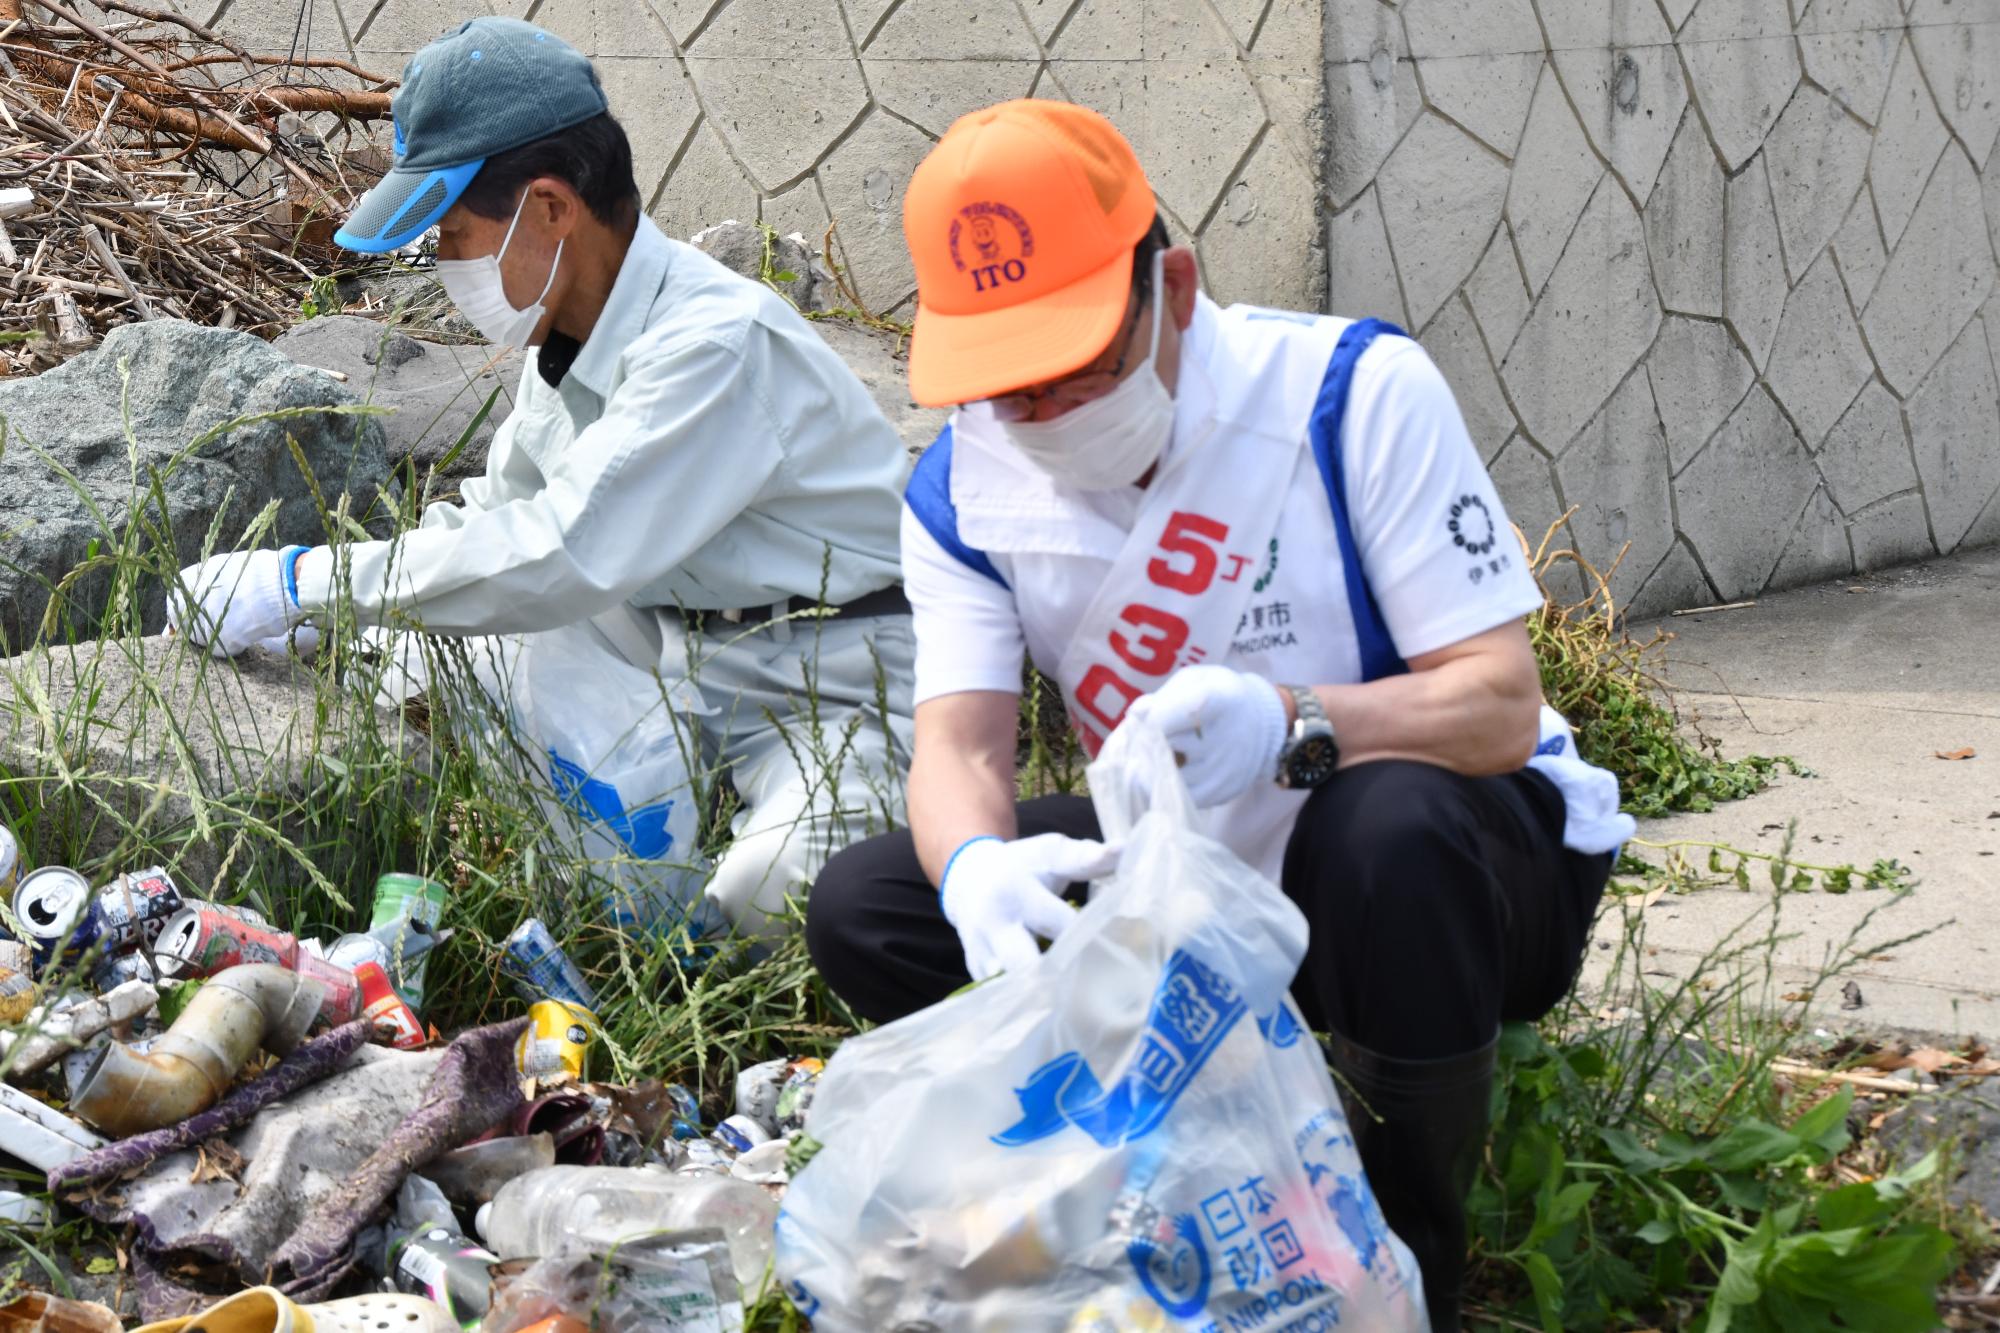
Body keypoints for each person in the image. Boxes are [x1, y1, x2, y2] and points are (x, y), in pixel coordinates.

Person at [805, 99, 1634, 1329]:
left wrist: (1298, 716)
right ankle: (1131, 1182)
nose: (1038, 414)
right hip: (1185, 865)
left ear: (1173, 288)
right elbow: (958, 746)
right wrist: (975, 866)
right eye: (1002, 385)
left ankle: (1402, 1260)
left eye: (1072, 363)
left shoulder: (1346, 393)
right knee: (872, 903)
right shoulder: (963, 487)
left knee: (1387, 826)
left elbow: (1498, 706)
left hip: (1445, 861)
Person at [172, 17, 915, 941]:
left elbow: (559, 549)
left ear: (554, 208)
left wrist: (298, 581)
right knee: (418, 657)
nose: (444, 267)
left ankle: (692, 923)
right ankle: (642, 853)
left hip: (831, 681)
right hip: (670, 636)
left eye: (451, 234)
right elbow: (497, 515)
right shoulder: (570, 333)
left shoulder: (712, 346)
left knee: (772, 899)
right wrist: (322, 621)